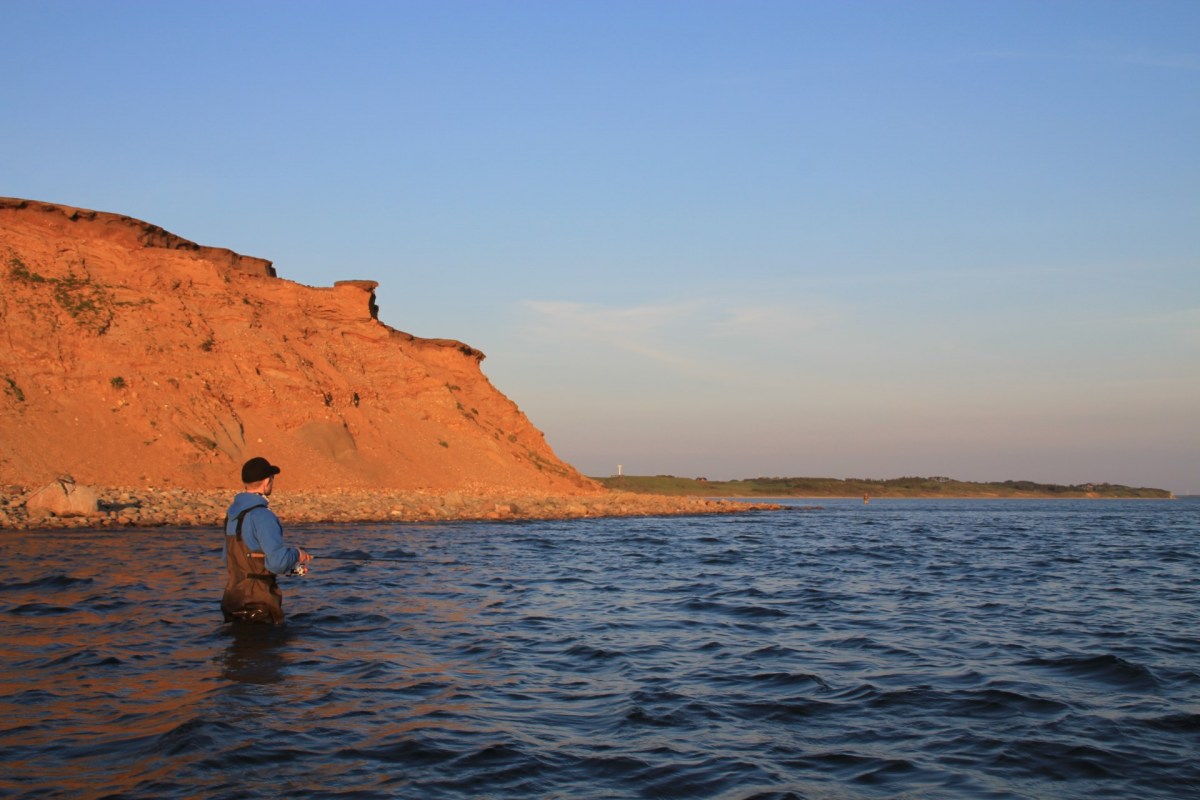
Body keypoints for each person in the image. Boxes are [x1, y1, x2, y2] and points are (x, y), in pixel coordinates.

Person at [221, 456, 311, 624]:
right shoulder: (263, 515)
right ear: (267, 481)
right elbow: (276, 562)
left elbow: (232, 559)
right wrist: (296, 554)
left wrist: (293, 569)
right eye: (272, 478)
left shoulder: (231, 516)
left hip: (232, 600)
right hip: (258, 604)